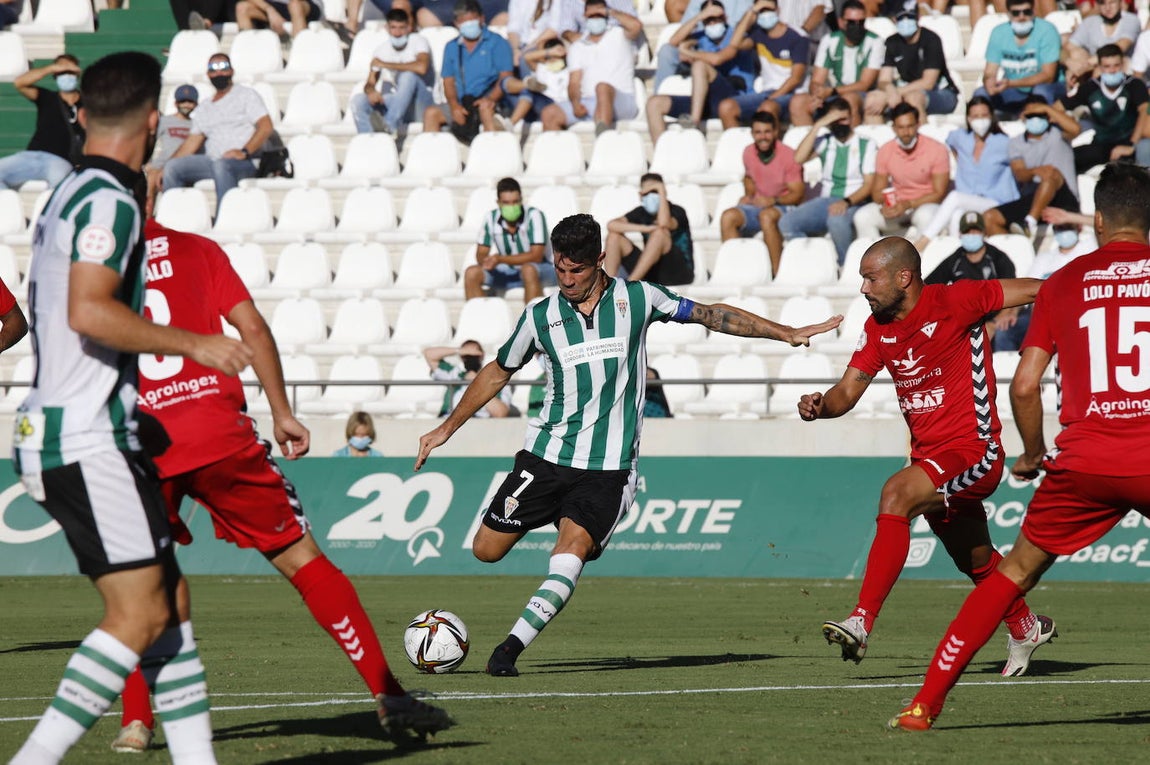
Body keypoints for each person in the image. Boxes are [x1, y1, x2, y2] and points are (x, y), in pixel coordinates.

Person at [415, 213, 842, 678]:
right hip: (545, 456)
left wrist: (784, 332)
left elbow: (710, 314)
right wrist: (447, 428)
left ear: (600, 259)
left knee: (572, 552)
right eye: (560, 270)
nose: (568, 279)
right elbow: (499, 370)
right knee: (486, 550)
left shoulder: (638, 299)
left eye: (576, 270)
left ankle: (509, 651)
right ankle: (562, 520)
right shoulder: (540, 316)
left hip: (608, 468)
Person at [109, 218, 451, 751]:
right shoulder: (195, 248)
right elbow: (254, 329)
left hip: (145, 440)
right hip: (219, 429)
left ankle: (135, 722)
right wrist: (282, 411)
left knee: (139, 585)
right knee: (303, 559)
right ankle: (388, 695)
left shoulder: (91, 264)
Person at [7, 51, 255, 765]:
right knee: (140, 613)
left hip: (71, 429)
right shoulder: (112, 199)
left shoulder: (66, 190)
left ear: (81, 114)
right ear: (153, 122)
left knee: (168, 606)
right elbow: (89, 311)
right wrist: (196, 343)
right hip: (83, 437)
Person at [889, 162, 1150, 731]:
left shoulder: (1063, 282)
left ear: (1099, 221)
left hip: (1085, 458)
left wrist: (1033, 454)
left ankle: (923, 705)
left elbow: (1026, 384)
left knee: (1014, 572)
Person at [797, 236, 1055, 677]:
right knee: (973, 559)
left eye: (870, 277)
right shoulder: (878, 327)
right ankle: (1026, 626)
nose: (863, 288)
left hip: (975, 452)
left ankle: (861, 621)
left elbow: (1038, 289)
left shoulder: (957, 298)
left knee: (896, 494)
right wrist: (822, 407)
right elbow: (847, 391)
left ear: (904, 276)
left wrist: (1090, 291)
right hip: (931, 461)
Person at [162, 54, 273, 215]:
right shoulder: (205, 107)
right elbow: (191, 144)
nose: (219, 73)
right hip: (212, 161)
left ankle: (225, 219)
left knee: (222, 164)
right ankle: (173, 220)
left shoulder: (246, 95)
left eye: (223, 68)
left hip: (244, 161)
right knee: (173, 168)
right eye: (213, 70)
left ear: (232, 71)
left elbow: (266, 127)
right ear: (208, 75)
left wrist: (244, 151)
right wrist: (163, 168)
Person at [915, 96, 1021, 252]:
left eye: (984, 116)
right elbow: (951, 143)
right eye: (975, 116)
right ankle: (956, 254)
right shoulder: (960, 137)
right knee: (956, 215)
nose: (980, 120)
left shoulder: (1004, 142)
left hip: (995, 202)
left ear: (991, 117)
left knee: (954, 198)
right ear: (968, 118)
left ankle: (922, 242)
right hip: (968, 199)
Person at [779, 98, 877, 266]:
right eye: (835, 120)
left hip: (854, 200)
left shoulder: (866, 144)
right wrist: (818, 125)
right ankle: (814, 263)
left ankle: (846, 265)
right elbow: (799, 158)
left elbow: (868, 184)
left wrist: (846, 202)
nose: (840, 124)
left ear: (852, 118)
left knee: (836, 219)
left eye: (844, 119)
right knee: (787, 222)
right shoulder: (825, 141)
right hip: (825, 201)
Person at [643, 0, 757, 140]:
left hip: (733, 95)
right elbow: (673, 42)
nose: (713, 23)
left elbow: (717, 59)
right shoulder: (702, 37)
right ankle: (660, 155)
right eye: (708, 20)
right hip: (705, 101)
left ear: (725, 18)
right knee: (654, 104)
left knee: (699, 66)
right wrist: (698, 17)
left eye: (717, 18)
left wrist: (689, 52)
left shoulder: (736, 37)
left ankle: (693, 121)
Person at [719, 110, 804, 276]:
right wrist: (749, 195)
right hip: (760, 204)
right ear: (752, 133)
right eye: (758, 132)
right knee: (728, 216)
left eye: (767, 132)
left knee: (767, 216)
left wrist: (773, 200)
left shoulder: (789, 155)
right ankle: (735, 269)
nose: (763, 136)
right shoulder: (748, 152)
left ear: (775, 132)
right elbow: (749, 177)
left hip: (785, 205)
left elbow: (798, 193)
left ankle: (776, 272)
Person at [983, 94, 1080, 239]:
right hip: (1035, 198)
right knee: (989, 217)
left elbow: (1076, 129)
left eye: (1040, 114)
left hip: (1064, 198)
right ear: (1023, 116)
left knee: (1051, 173)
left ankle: (1029, 223)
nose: (1035, 119)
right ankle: (1013, 255)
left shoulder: (1058, 134)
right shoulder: (1016, 143)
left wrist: (1048, 109)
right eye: (1031, 114)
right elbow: (1019, 173)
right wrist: (1035, 171)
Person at [853, 102, 949, 242]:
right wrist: (886, 206)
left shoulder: (937, 149)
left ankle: (920, 259)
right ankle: (875, 260)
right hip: (898, 205)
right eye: (901, 127)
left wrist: (909, 204)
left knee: (925, 216)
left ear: (918, 125)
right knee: (862, 216)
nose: (906, 133)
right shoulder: (886, 151)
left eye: (910, 126)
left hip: (924, 204)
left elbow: (939, 193)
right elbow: (877, 191)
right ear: (894, 128)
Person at [422, 0, 515, 145]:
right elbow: (448, 81)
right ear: (456, 23)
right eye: (463, 21)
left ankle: (493, 155)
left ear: (481, 19)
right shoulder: (451, 47)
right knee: (431, 113)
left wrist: (490, 99)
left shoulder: (498, 43)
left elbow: (505, 77)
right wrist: (454, 106)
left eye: (472, 20)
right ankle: (433, 160)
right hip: (462, 103)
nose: (468, 24)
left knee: (486, 110)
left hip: (492, 101)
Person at [995, 217, 1093, 351]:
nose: (1063, 232)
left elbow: (1105, 223)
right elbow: (1027, 288)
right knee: (1004, 330)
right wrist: (1013, 312)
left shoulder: (1089, 249)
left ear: (1078, 227)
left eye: (1067, 227)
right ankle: (1005, 369)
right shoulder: (1044, 258)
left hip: (1075, 315)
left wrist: (1065, 214)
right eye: (1059, 228)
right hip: (1039, 317)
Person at [924, 210, 1020, 345]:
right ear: (960, 234)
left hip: (995, 319)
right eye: (967, 232)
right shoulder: (954, 260)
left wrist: (993, 323)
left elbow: (1012, 291)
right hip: (964, 322)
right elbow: (928, 287)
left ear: (984, 233)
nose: (971, 236)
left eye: (975, 231)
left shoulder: (998, 258)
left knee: (1004, 333)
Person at [788, 1, 881, 128]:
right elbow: (817, 80)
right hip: (833, 93)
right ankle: (810, 143)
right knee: (798, 102)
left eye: (861, 22)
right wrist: (817, 93)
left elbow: (864, 84)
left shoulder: (874, 41)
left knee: (849, 100)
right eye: (852, 22)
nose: (857, 26)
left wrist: (832, 91)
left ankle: (850, 143)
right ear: (841, 22)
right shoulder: (829, 40)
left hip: (860, 95)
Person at [718, 0, 810, 125]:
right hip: (767, 91)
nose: (765, 14)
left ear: (777, 9)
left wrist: (772, 98)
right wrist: (751, 11)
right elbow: (734, 44)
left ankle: (774, 144)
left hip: (793, 93)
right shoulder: (758, 34)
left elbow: (796, 79)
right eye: (761, 11)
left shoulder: (798, 36)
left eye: (768, 9)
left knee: (767, 108)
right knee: (726, 107)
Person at [0, 54, 83, 190]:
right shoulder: (47, 98)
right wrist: (51, 68)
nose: (65, 75)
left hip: (61, 161)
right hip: (31, 156)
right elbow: (20, 83)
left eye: (69, 71)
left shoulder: (87, 104)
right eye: (61, 72)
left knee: (61, 190)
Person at [466, 177, 556, 302]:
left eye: (515, 202)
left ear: (521, 200)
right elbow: (481, 254)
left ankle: (531, 320)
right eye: (506, 203)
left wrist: (499, 259)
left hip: (541, 268)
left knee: (528, 270)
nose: (511, 206)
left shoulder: (534, 215)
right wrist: (487, 261)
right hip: (507, 271)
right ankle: (480, 319)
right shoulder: (490, 218)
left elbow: (537, 256)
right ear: (498, 203)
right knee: (471, 273)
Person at [1060, 44, 1148, 173]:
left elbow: (1144, 112)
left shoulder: (1134, 85)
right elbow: (1058, 107)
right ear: (1100, 67)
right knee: (1068, 158)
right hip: (1102, 143)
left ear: (1122, 64)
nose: (1112, 70)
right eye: (1107, 66)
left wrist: (1131, 145)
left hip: (1129, 143)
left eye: (1116, 65)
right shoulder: (1090, 87)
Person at [559, 0, 642, 134]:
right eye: (592, 16)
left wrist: (610, 11)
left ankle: (603, 144)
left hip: (622, 101)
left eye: (599, 15)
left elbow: (636, 26)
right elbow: (574, 82)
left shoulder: (619, 35)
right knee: (550, 113)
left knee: (602, 88)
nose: (596, 18)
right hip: (590, 101)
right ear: (585, 16)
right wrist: (575, 104)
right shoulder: (578, 46)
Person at [864, 8, 959, 125]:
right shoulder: (892, 42)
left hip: (941, 93)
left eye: (909, 18)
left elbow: (928, 83)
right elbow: (883, 80)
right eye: (901, 18)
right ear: (894, 20)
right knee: (873, 100)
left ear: (918, 18)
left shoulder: (931, 39)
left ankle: (922, 141)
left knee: (913, 99)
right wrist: (890, 91)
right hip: (905, 90)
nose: (905, 21)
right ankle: (879, 141)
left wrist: (896, 93)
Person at [349, 9, 435, 136]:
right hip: (397, 103)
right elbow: (370, 82)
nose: (397, 33)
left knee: (408, 76)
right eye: (393, 27)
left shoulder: (418, 41)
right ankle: (368, 140)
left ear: (409, 27)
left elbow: (421, 67)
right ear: (387, 28)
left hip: (421, 103)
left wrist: (385, 64)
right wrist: (371, 91)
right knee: (358, 101)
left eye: (402, 28)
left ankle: (389, 125)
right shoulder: (381, 50)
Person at [973, 0, 1062, 119]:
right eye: (1016, 13)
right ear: (1008, 14)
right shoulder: (999, 33)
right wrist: (989, 81)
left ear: (1034, 11)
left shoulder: (1047, 30)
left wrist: (1010, 83)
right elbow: (990, 71)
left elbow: (1048, 76)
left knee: (1041, 91)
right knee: (981, 94)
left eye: (1027, 12)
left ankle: (1041, 130)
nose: (1022, 17)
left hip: (1048, 87)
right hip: (1013, 89)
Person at [604, 173, 695, 287]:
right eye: (647, 192)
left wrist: (661, 190)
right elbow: (611, 225)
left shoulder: (677, 211)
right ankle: (609, 287)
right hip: (653, 272)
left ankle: (629, 287)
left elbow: (664, 223)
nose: (651, 195)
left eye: (655, 191)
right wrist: (645, 228)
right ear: (641, 195)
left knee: (660, 233)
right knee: (614, 237)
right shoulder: (641, 212)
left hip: (678, 272)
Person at [425, 340, 513, 417]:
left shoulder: (497, 379)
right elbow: (429, 354)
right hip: (449, 419)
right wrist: (460, 351)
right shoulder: (455, 374)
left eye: (475, 355)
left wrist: (478, 383)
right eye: (467, 355)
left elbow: (501, 413)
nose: (471, 358)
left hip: (480, 426)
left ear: (482, 356)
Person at [1062, 0, 1139, 81]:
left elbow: (1119, 47)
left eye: (1112, 3)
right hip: (1093, 65)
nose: (1108, 8)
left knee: (1103, 68)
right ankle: (1078, 89)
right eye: (1103, 3)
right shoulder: (1090, 22)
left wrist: (1085, 66)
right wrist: (1069, 62)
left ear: (1120, 2)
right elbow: (1067, 47)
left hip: (1120, 67)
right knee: (1076, 54)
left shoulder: (1131, 20)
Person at [145, 84, 198, 192]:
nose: (186, 105)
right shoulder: (165, 121)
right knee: (151, 178)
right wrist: (148, 163)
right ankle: (148, 206)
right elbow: (149, 141)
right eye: (183, 102)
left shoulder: (197, 124)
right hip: (161, 164)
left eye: (190, 102)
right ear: (176, 103)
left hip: (184, 166)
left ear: (196, 104)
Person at [235, 0, 323, 38]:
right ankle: (248, 53)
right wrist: (270, 10)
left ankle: (301, 52)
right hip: (276, 5)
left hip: (306, 4)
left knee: (295, 5)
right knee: (242, 8)